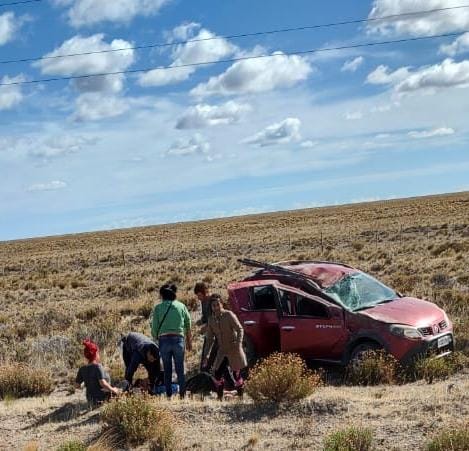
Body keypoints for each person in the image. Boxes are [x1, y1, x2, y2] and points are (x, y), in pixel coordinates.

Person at [202, 294, 247, 400]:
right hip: (222, 350)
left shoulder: (229, 315)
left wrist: (238, 344)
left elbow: (240, 329)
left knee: (236, 374)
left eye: (218, 304)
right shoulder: (211, 320)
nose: (216, 307)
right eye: (213, 305)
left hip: (234, 348)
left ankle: (241, 397)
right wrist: (206, 355)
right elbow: (209, 339)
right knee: (216, 373)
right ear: (211, 307)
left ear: (221, 304)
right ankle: (219, 398)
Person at [151, 283, 192, 399]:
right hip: (179, 339)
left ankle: (169, 395)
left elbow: (154, 327)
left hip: (164, 340)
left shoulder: (158, 308)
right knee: (180, 369)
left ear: (162, 295)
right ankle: (182, 395)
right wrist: (189, 342)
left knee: (167, 370)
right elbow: (188, 324)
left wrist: (155, 336)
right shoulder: (181, 306)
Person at [76, 339, 120, 407]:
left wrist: (88, 383)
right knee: (125, 383)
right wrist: (113, 390)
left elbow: (77, 386)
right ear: (96, 354)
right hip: (102, 398)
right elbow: (102, 383)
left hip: (90, 400)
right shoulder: (98, 366)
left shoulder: (82, 369)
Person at [194, 281, 218, 371]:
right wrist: (199, 322)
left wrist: (206, 327)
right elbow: (205, 317)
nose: (198, 298)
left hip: (218, 335)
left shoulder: (213, 300)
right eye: (197, 295)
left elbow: (216, 318)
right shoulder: (203, 302)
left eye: (199, 295)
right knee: (206, 358)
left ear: (204, 292)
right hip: (209, 334)